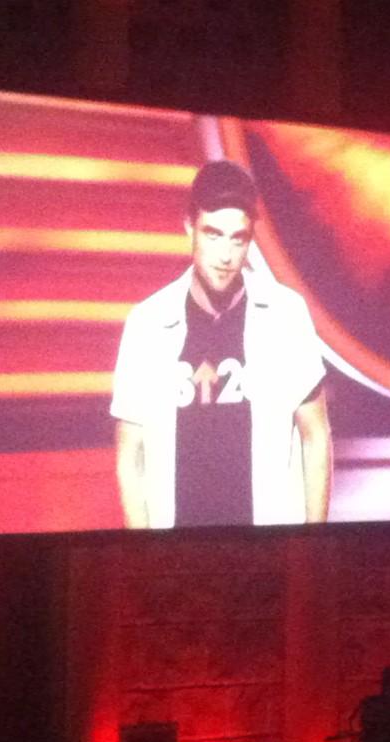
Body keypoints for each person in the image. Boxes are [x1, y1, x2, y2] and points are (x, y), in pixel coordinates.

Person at [110, 160, 332, 528]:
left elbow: (316, 436)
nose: (226, 255)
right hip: (176, 545)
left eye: (237, 238)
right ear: (189, 228)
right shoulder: (147, 323)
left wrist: (314, 543)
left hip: (268, 545)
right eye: (213, 235)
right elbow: (129, 454)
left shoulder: (286, 314)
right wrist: (143, 549)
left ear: (250, 239)